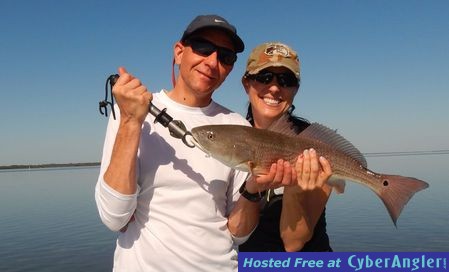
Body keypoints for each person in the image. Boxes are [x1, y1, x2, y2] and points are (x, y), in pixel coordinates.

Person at [95, 15, 296, 271]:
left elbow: (238, 234)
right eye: (203, 47)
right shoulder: (130, 112)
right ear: (179, 52)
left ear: (230, 69)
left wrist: (253, 188)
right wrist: (130, 122)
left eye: (225, 57)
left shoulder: (238, 126)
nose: (212, 62)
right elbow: (114, 217)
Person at [238, 42, 334, 252]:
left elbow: (293, 243)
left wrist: (294, 189)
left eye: (286, 80)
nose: (274, 87)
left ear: (295, 89)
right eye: (264, 77)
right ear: (247, 83)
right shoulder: (231, 137)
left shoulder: (314, 146)